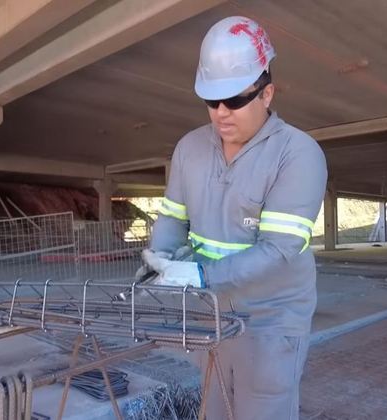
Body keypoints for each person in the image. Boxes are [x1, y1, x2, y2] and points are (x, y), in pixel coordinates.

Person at [141, 15, 327, 420]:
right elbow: (173, 216)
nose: (222, 113)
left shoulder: (297, 155)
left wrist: (200, 276)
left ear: (266, 93)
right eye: (212, 101)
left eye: (236, 100)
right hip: (210, 314)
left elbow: (278, 250)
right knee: (215, 408)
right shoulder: (189, 149)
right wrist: (159, 256)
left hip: (270, 320)